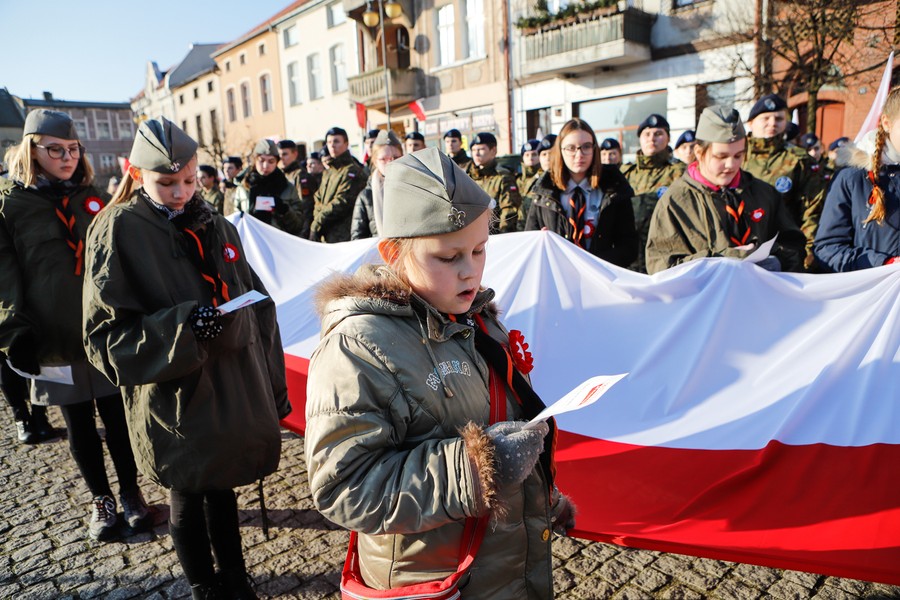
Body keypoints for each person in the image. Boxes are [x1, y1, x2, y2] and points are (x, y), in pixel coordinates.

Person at [305, 147, 573, 599]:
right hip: (433, 577)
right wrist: (475, 468)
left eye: (480, 249)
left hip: (502, 568)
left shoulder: (477, 318)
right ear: (393, 252)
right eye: (449, 258)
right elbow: (344, 485)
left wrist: (542, 499)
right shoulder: (358, 345)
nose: (471, 272)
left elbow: (502, 418)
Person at [83, 117, 290, 599]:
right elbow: (104, 336)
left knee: (223, 486)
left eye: (190, 180)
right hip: (173, 393)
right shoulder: (117, 229)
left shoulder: (217, 224)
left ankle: (236, 580)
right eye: (167, 183)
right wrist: (182, 327)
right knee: (187, 492)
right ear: (137, 175)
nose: (180, 193)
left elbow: (258, 306)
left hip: (230, 385)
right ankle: (203, 586)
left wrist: (271, 388)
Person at [0, 109, 151, 540]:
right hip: (52, 336)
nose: (67, 158)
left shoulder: (91, 196)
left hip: (101, 331)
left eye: (72, 149)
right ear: (31, 150)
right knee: (79, 423)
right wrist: (13, 331)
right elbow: (4, 274)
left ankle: (131, 493)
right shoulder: (10, 205)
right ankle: (101, 499)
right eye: (55, 150)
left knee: (118, 418)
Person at [645, 106, 806, 275]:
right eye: (721, 157)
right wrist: (726, 261)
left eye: (738, 156)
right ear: (699, 152)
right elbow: (662, 267)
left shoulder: (763, 193)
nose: (731, 165)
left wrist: (778, 260)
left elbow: (793, 245)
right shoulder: (675, 202)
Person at [524, 118, 637, 267]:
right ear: (560, 151)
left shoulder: (614, 188)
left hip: (601, 276)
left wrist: (593, 265)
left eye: (586, 147)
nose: (579, 155)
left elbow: (629, 247)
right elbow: (529, 245)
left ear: (594, 149)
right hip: (558, 275)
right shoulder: (544, 191)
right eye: (571, 148)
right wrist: (542, 242)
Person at [813, 86, 900, 272]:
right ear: (887, 123)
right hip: (876, 287)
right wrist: (884, 264)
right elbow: (828, 249)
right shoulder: (852, 178)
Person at [743, 94, 826, 268]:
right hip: (739, 249)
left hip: (782, 253)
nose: (772, 123)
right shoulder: (736, 155)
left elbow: (812, 211)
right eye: (766, 118)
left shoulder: (799, 160)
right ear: (750, 123)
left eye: (779, 119)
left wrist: (807, 256)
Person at [621, 113, 686, 272]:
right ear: (640, 139)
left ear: (668, 138)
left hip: (665, 254)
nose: (652, 139)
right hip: (631, 256)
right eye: (647, 134)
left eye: (658, 134)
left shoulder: (680, 172)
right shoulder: (625, 173)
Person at [234, 139, 308, 237]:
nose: (265, 166)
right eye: (261, 161)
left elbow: (298, 226)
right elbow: (235, 224)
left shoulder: (287, 188)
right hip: (250, 240)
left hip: (277, 241)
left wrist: (285, 210)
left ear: (277, 162)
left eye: (271, 161)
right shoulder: (244, 188)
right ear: (255, 160)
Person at [310, 127, 367, 242]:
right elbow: (318, 198)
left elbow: (342, 202)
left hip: (344, 236)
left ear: (346, 144)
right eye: (329, 142)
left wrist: (318, 222)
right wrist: (317, 219)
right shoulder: (328, 172)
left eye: (336, 141)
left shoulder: (352, 171)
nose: (332, 145)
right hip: (326, 234)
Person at [466, 132, 521, 232]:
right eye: (473, 150)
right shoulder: (468, 177)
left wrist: (503, 234)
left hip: (495, 234)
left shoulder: (503, 177)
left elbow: (509, 210)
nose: (476, 154)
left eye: (481, 149)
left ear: (493, 151)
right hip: (472, 234)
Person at [351, 130, 401, 239]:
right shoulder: (366, 196)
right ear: (375, 161)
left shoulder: (415, 188)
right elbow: (358, 237)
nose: (390, 163)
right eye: (383, 159)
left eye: (396, 158)